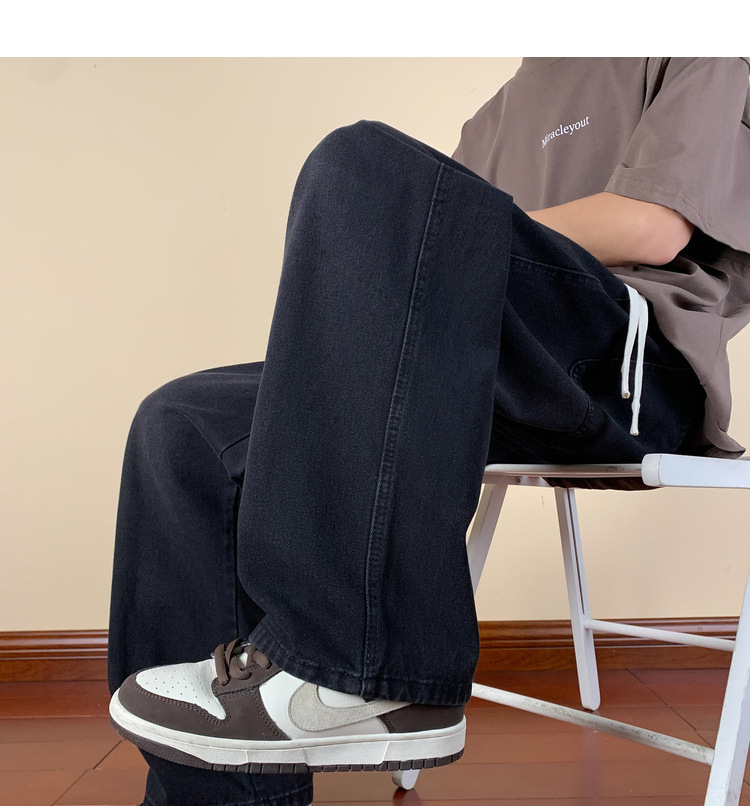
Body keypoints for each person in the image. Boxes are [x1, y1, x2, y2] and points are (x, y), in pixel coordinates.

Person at [106, 58, 750, 806]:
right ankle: (220, 797)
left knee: (363, 166)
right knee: (182, 423)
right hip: (480, 375)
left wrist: (438, 233)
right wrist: (437, 236)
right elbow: (421, 276)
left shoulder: (696, 42)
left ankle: (356, 670)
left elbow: (653, 227)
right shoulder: (503, 109)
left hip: (626, 370)